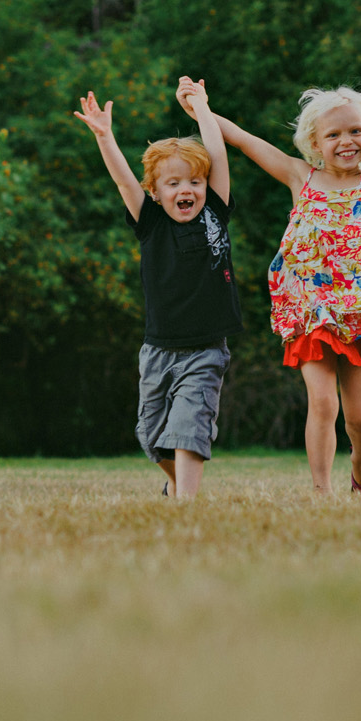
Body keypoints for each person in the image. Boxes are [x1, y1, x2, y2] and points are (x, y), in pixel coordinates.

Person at [177, 32, 361, 491]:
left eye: (356, 131)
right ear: (315, 142)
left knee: (360, 418)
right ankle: (321, 493)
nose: (346, 141)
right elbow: (243, 140)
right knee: (322, 404)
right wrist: (200, 110)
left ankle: (360, 464)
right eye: (333, 134)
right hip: (312, 308)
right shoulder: (301, 177)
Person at [73, 81, 242, 497]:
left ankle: (186, 507)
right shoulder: (150, 224)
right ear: (156, 193)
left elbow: (217, 154)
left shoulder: (215, 213)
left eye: (195, 183)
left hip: (204, 348)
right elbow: (122, 182)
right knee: (151, 437)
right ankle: (175, 488)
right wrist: (105, 136)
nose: (186, 190)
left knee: (188, 430)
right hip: (157, 351)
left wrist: (201, 107)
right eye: (174, 184)